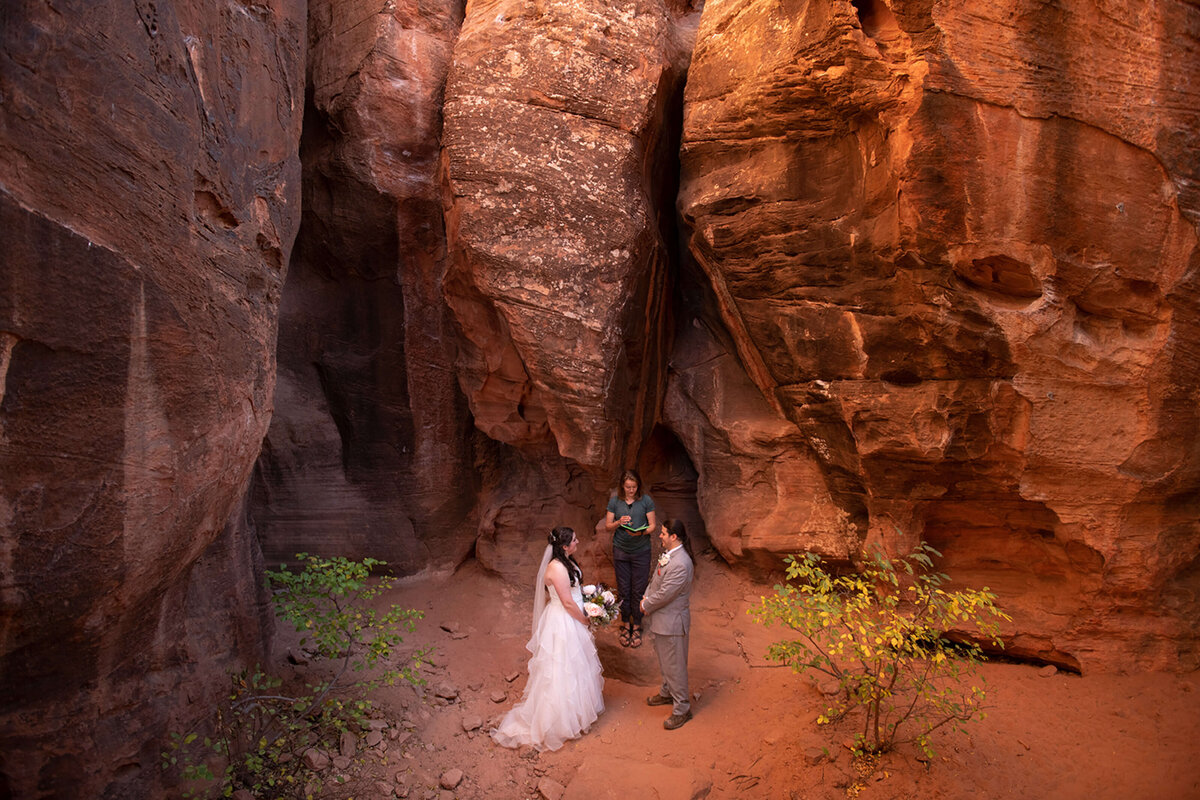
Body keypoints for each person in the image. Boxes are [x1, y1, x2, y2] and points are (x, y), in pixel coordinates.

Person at [491, 526, 605, 751]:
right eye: (574, 540)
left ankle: (577, 715)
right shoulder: (556, 569)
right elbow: (567, 602)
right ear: (564, 547)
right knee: (561, 669)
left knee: (577, 667)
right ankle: (557, 721)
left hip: (572, 617)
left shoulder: (567, 562)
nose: (578, 542)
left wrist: (592, 600)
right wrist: (585, 619)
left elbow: (575, 593)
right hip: (564, 621)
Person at [640, 519, 694, 730]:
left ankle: (682, 708)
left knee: (675, 666)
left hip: (672, 622)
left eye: (663, 533)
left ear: (674, 536)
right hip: (662, 620)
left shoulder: (681, 563)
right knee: (666, 661)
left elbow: (666, 594)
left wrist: (646, 604)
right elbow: (656, 581)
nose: (660, 536)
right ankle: (666, 693)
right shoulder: (669, 555)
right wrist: (645, 596)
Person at [604, 469, 656, 648]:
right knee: (624, 589)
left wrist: (641, 531)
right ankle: (626, 624)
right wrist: (619, 522)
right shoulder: (615, 501)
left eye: (634, 487)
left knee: (639, 590)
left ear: (638, 486)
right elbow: (608, 526)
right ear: (622, 486)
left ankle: (638, 625)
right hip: (621, 551)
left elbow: (653, 526)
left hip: (641, 550)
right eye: (628, 487)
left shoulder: (646, 501)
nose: (631, 490)